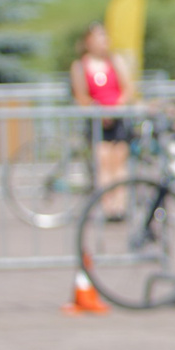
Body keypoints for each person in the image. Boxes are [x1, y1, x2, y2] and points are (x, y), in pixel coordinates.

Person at [70, 23, 135, 217]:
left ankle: (120, 205)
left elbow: (128, 88)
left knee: (119, 162)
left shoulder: (115, 61)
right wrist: (98, 110)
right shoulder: (80, 66)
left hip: (118, 117)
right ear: (88, 41)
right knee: (103, 161)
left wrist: (117, 107)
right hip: (97, 119)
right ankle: (107, 206)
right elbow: (80, 94)